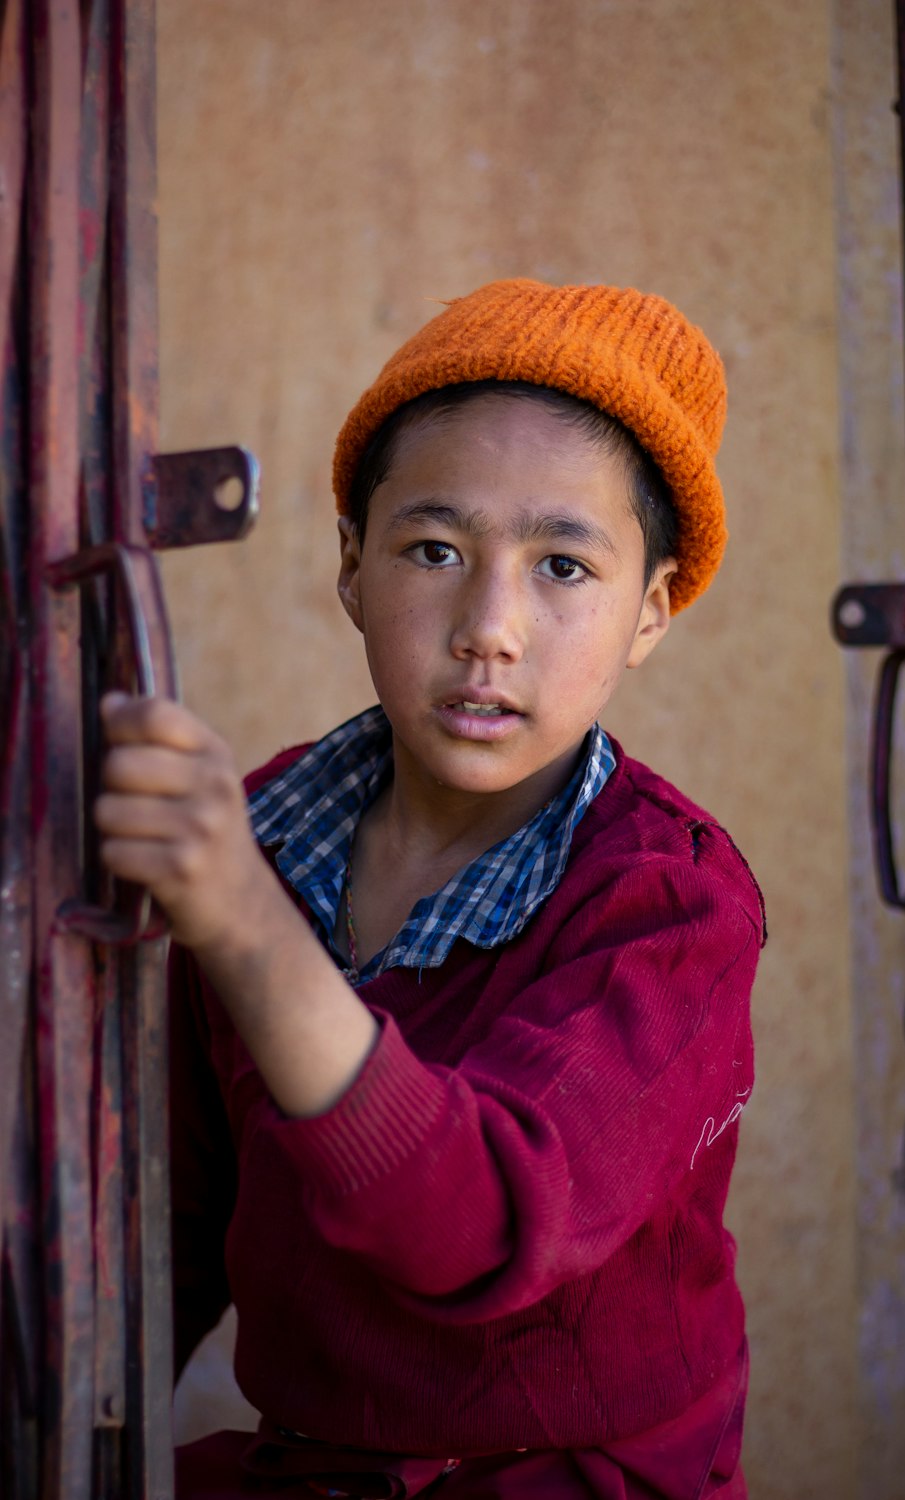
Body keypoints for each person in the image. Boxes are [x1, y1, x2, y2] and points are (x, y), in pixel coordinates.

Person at [97, 279, 766, 1499]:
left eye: (564, 565)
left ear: (652, 611)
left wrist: (243, 922)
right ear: (352, 566)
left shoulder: (670, 906)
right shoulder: (265, 828)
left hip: (566, 1476)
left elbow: (487, 1224)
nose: (490, 627)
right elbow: (174, 1227)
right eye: (435, 549)